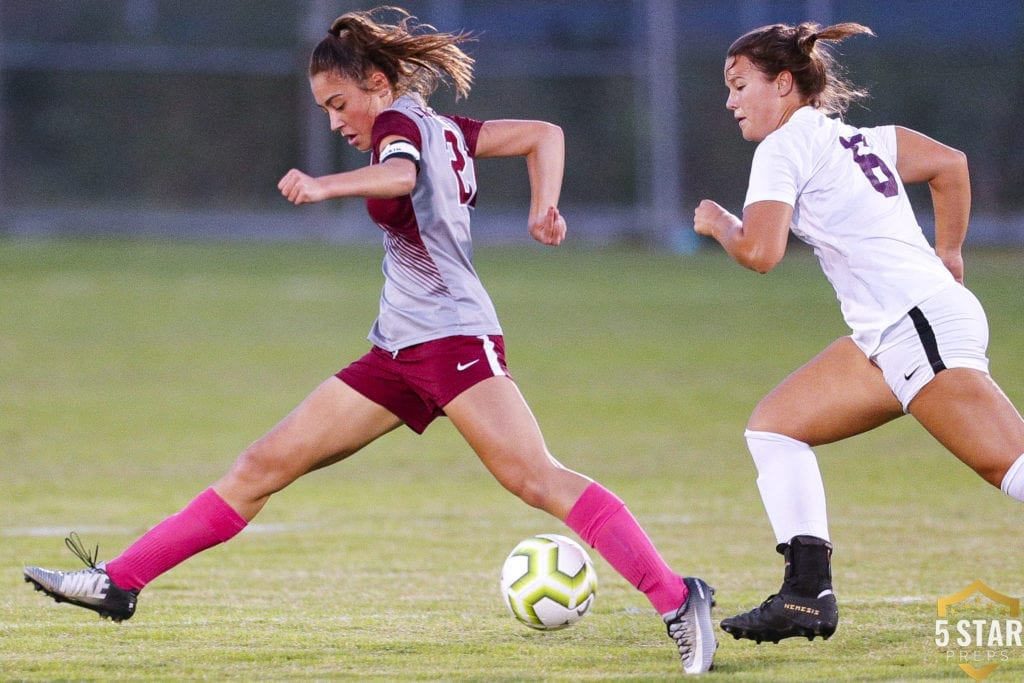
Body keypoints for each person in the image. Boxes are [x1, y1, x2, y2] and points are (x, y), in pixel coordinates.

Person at [23, 7, 716, 675]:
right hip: (398, 349)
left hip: (451, 340)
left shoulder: (398, 126)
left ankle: (677, 597)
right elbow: (545, 134)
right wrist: (544, 206)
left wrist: (327, 186)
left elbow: (401, 175)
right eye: (324, 108)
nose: (335, 120)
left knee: (536, 477)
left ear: (377, 85)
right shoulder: (441, 125)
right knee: (261, 465)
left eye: (337, 103)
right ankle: (119, 580)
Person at [693, 20, 1024, 645]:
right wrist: (949, 255)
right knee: (775, 427)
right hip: (899, 328)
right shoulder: (860, 138)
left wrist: (718, 223)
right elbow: (949, 166)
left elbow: (761, 252)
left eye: (740, 85)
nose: (730, 100)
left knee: (1011, 468)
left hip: (915, 324)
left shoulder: (784, 147)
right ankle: (805, 594)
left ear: (784, 84)